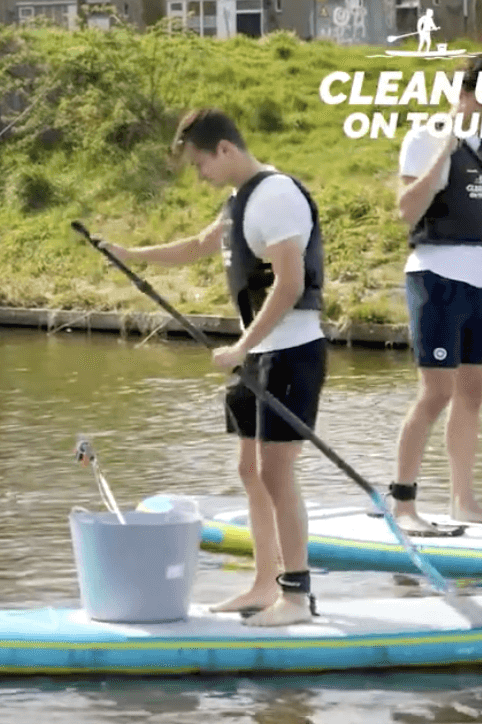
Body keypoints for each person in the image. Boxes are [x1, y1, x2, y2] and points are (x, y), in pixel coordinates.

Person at [101, 108, 328, 627]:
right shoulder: (237, 202)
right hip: (260, 354)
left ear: (225, 149)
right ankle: (264, 583)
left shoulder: (276, 196)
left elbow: (289, 285)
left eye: (202, 164)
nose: (200, 175)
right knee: (250, 471)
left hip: (291, 352)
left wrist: (242, 345)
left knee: (276, 473)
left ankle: (296, 596)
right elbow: (200, 246)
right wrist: (131, 254)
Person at [388, 54, 482, 536]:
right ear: (456, 89)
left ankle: (464, 501)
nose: (475, 99)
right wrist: (445, 150)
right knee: (436, 391)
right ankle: (404, 505)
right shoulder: (423, 138)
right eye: (470, 88)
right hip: (434, 276)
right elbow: (406, 210)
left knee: (471, 392)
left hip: (478, 280)